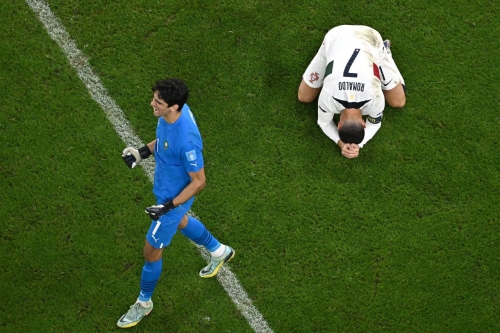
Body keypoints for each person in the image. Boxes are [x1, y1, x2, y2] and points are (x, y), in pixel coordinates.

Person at [117, 78, 235, 328]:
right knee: (182, 222)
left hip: (173, 198)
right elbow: (162, 141)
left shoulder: (187, 140)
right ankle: (219, 251)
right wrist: (142, 152)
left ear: (174, 106)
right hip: (167, 193)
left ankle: (144, 303)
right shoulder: (170, 116)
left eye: (158, 102)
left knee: (151, 252)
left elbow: (199, 181)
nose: (152, 104)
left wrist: (167, 207)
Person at [298, 25, 406, 158]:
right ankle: (381, 53)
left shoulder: (376, 100)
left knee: (398, 102)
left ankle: (382, 53)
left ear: (362, 124)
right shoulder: (328, 99)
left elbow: (374, 124)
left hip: (364, 37)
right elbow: (324, 123)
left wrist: (344, 143)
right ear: (339, 124)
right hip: (339, 36)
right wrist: (355, 144)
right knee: (397, 102)